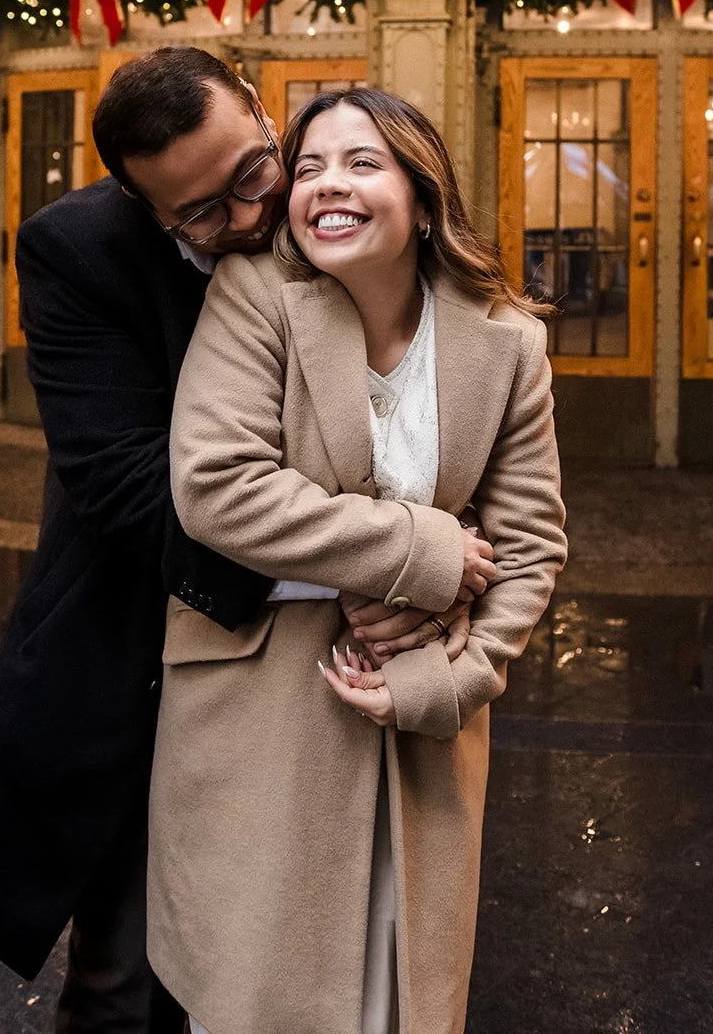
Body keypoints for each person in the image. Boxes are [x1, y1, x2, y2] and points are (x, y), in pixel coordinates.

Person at [0, 49, 472, 1032]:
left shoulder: (335, 194)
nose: (248, 214)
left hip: (331, 684)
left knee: (317, 962)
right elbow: (129, 487)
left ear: (264, 112)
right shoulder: (77, 250)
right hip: (141, 648)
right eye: (199, 213)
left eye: (253, 173)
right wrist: (370, 569)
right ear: (141, 206)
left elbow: (440, 414)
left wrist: (445, 545)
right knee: (131, 976)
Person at [147, 88, 568, 1034]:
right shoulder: (254, 295)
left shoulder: (509, 340)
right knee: (255, 997)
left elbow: (532, 542)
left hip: (421, 737)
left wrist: (452, 678)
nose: (327, 185)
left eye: (362, 163)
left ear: (422, 197)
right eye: (308, 168)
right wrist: (422, 552)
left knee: (398, 994)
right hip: (259, 718)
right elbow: (216, 484)